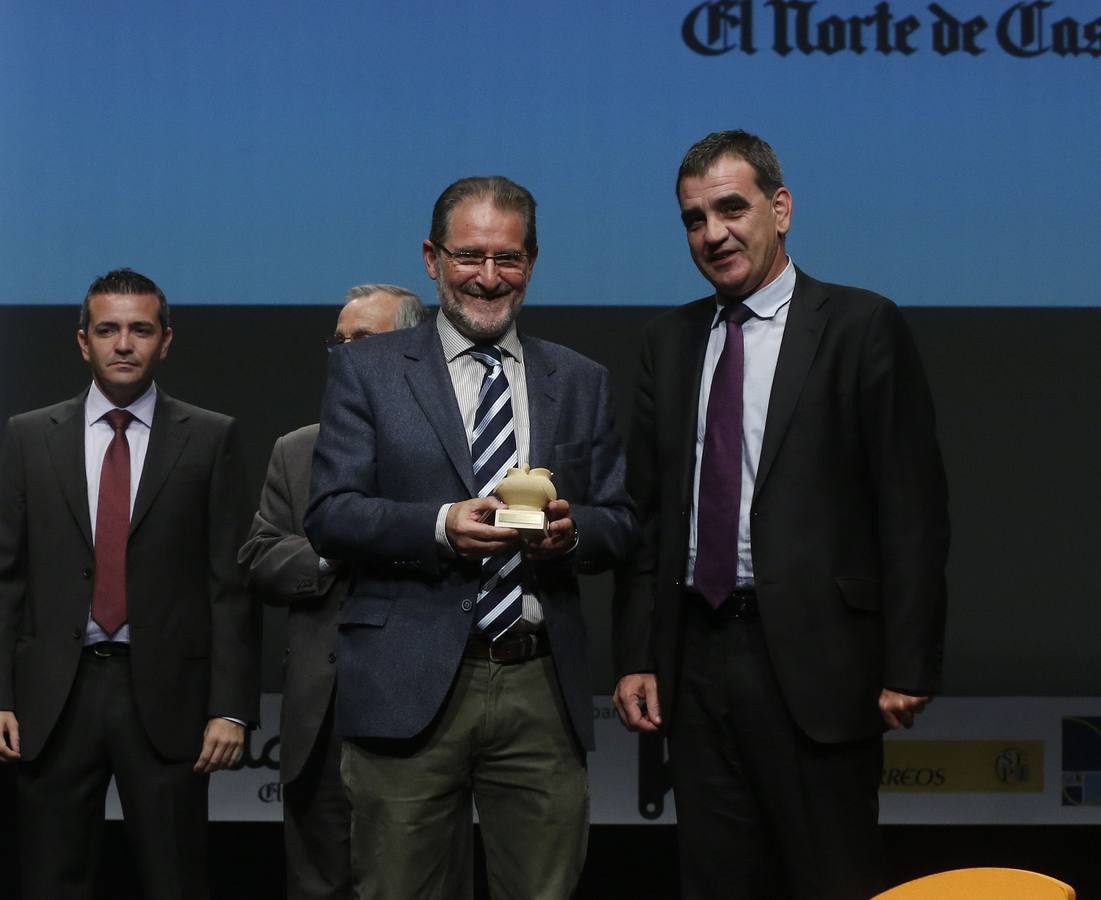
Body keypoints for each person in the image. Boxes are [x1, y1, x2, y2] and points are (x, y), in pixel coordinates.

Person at [613, 130, 950, 899]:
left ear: (781, 207)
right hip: (694, 659)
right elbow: (649, 517)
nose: (713, 233)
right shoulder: (666, 343)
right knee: (716, 880)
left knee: (829, 879)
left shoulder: (861, 325)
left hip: (817, 661)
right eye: (694, 219)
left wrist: (908, 661)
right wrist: (635, 652)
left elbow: (912, 508)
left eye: (731, 208)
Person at [305, 175, 637, 900]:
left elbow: (620, 520)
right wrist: (438, 526)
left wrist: (571, 533)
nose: (488, 278)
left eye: (508, 258)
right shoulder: (366, 372)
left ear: (532, 261)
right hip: (404, 683)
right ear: (431, 258)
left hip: (537, 687)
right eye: (468, 256)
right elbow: (330, 512)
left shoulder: (579, 381)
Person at [0, 268, 258, 899]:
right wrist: (0, 694)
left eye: (140, 330)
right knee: (48, 881)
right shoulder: (28, 436)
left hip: (167, 694)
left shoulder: (211, 437)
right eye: (108, 330)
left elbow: (231, 582)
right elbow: (6, 575)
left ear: (164, 341)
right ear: (82, 340)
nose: (124, 344)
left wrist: (230, 707)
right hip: (53, 698)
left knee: (175, 880)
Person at [238, 284, 427, 900]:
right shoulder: (297, 451)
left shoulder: (448, 452)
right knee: (317, 881)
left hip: (419, 710)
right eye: (338, 342)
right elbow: (261, 558)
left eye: (363, 341)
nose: (345, 354)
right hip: (321, 713)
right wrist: (331, 547)